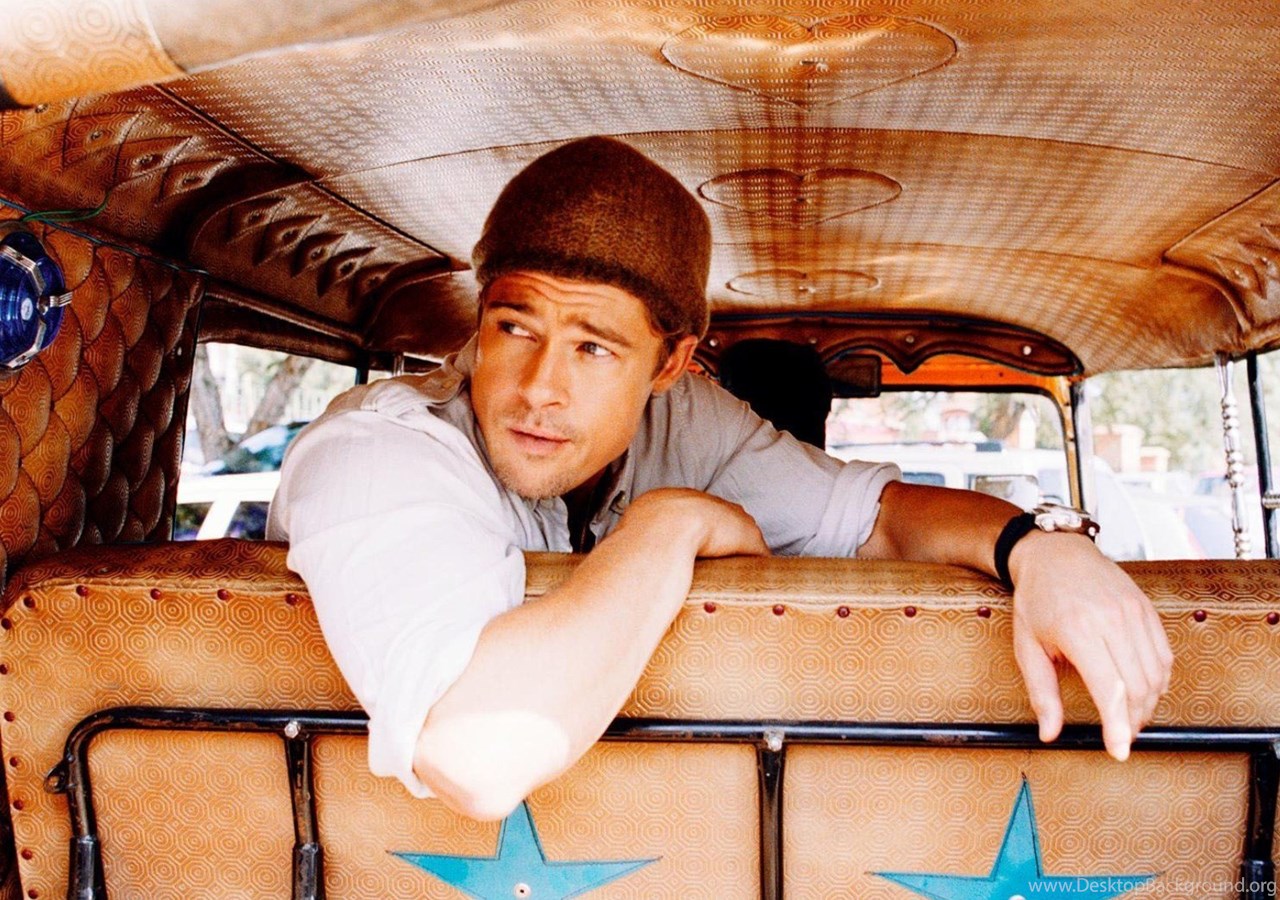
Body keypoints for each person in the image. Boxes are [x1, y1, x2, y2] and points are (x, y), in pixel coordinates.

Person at [267, 137, 1172, 821]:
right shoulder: (378, 453)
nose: (539, 388)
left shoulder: (689, 421)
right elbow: (478, 756)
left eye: (593, 347)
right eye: (515, 327)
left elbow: (883, 520)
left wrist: (1038, 550)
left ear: (670, 364)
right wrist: (669, 525)